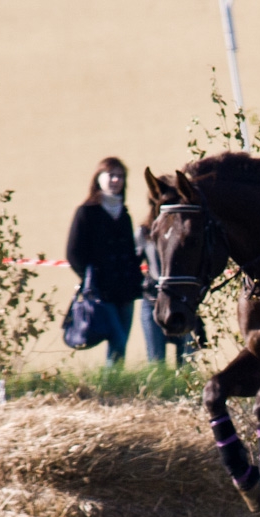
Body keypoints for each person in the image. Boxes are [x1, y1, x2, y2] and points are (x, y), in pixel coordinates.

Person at [65, 157, 143, 366]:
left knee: (122, 342)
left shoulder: (124, 214)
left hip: (126, 290)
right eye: (111, 175)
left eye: (120, 176)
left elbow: (128, 253)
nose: (116, 180)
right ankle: (109, 390)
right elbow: (73, 253)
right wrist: (90, 278)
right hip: (101, 292)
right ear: (98, 178)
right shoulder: (86, 212)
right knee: (117, 340)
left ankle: (114, 390)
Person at [135, 223, 197, 367]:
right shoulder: (144, 232)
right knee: (156, 364)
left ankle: (182, 390)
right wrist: (143, 285)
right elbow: (131, 264)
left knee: (187, 364)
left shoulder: (184, 229)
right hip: (152, 302)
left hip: (181, 302)